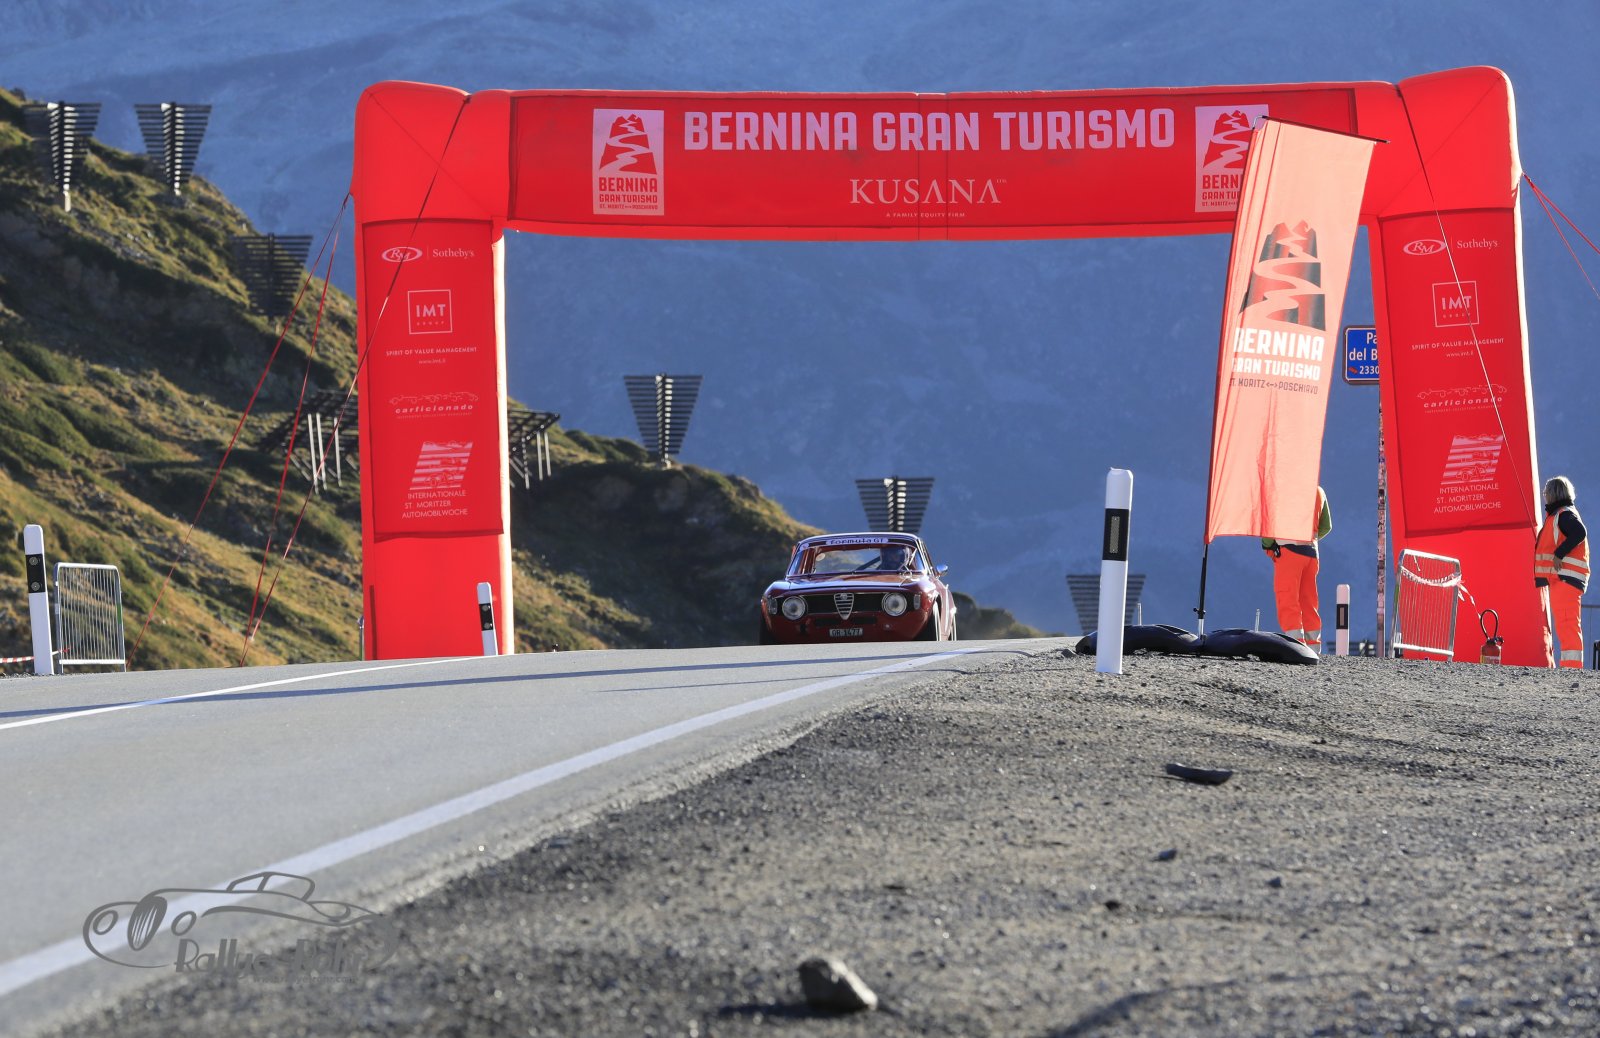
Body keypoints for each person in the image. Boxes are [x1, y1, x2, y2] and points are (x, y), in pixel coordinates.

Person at [1262, 486, 1332, 649]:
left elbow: (1269, 524)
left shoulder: (1283, 489)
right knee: (1308, 600)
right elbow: (1326, 526)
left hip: (1289, 553)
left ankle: (1295, 644)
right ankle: (1313, 646)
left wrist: (1268, 546)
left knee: (1287, 597)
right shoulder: (1319, 491)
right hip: (1311, 554)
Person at [1535, 475, 1588, 668]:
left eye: (1546, 492)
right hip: (1562, 579)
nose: (1544, 495)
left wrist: (1559, 553)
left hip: (1566, 579)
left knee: (1568, 626)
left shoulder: (1563, 514)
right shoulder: (1560, 514)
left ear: (1553, 493)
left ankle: (1571, 670)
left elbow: (1579, 532)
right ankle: (1569, 669)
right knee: (1566, 626)